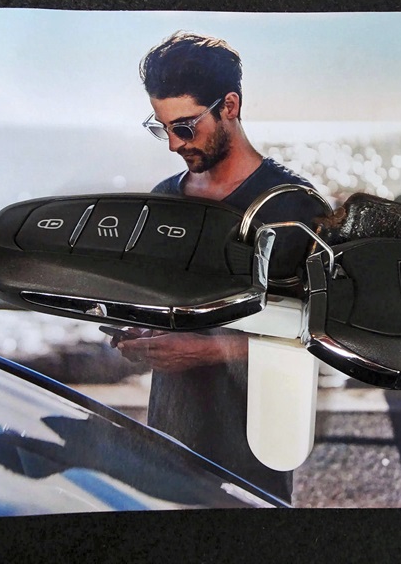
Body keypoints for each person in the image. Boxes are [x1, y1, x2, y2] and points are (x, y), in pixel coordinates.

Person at [114, 31, 326, 501]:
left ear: (229, 105)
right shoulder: (164, 198)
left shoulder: (294, 206)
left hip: (254, 453)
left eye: (185, 127)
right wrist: (140, 331)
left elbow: (317, 335)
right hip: (168, 440)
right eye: (162, 127)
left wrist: (207, 350)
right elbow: (162, 303)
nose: (173, 144)